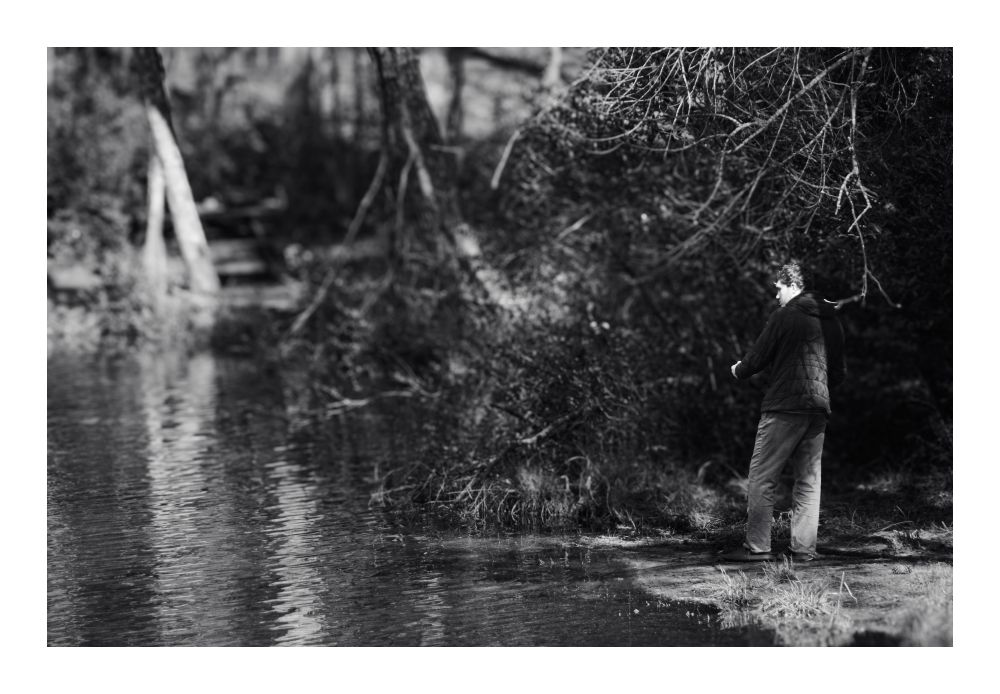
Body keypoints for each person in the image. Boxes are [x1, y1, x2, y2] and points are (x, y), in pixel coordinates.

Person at [722, 262, 846, 562]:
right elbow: (839, 373)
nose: (776, 295)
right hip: (818, 409)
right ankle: (804, 551)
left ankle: (757, 548)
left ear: (791, 285)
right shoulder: (831, 319)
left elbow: (757, 359)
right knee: (808, 480)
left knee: (762, 477)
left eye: (778, 288)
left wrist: (738, 370)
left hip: (784, 407)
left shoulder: (785, 315)